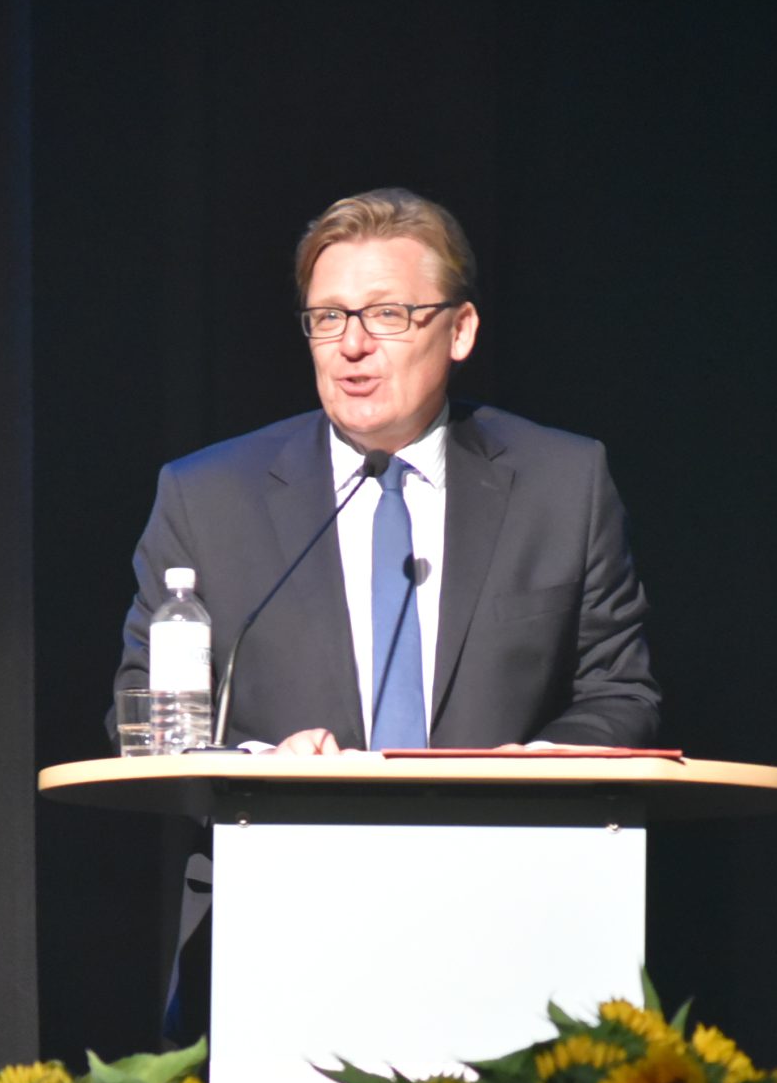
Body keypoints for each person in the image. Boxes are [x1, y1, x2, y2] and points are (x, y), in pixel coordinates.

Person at [112, 187, 660, 752]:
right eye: (329, 317)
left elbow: (618, 692)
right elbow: (147, 713)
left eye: (386, 314)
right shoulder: (208, 499)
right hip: (284, 811)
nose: (352, 344)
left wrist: (534, 771)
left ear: (460, 330)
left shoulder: (562, 485)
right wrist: (263, 764)